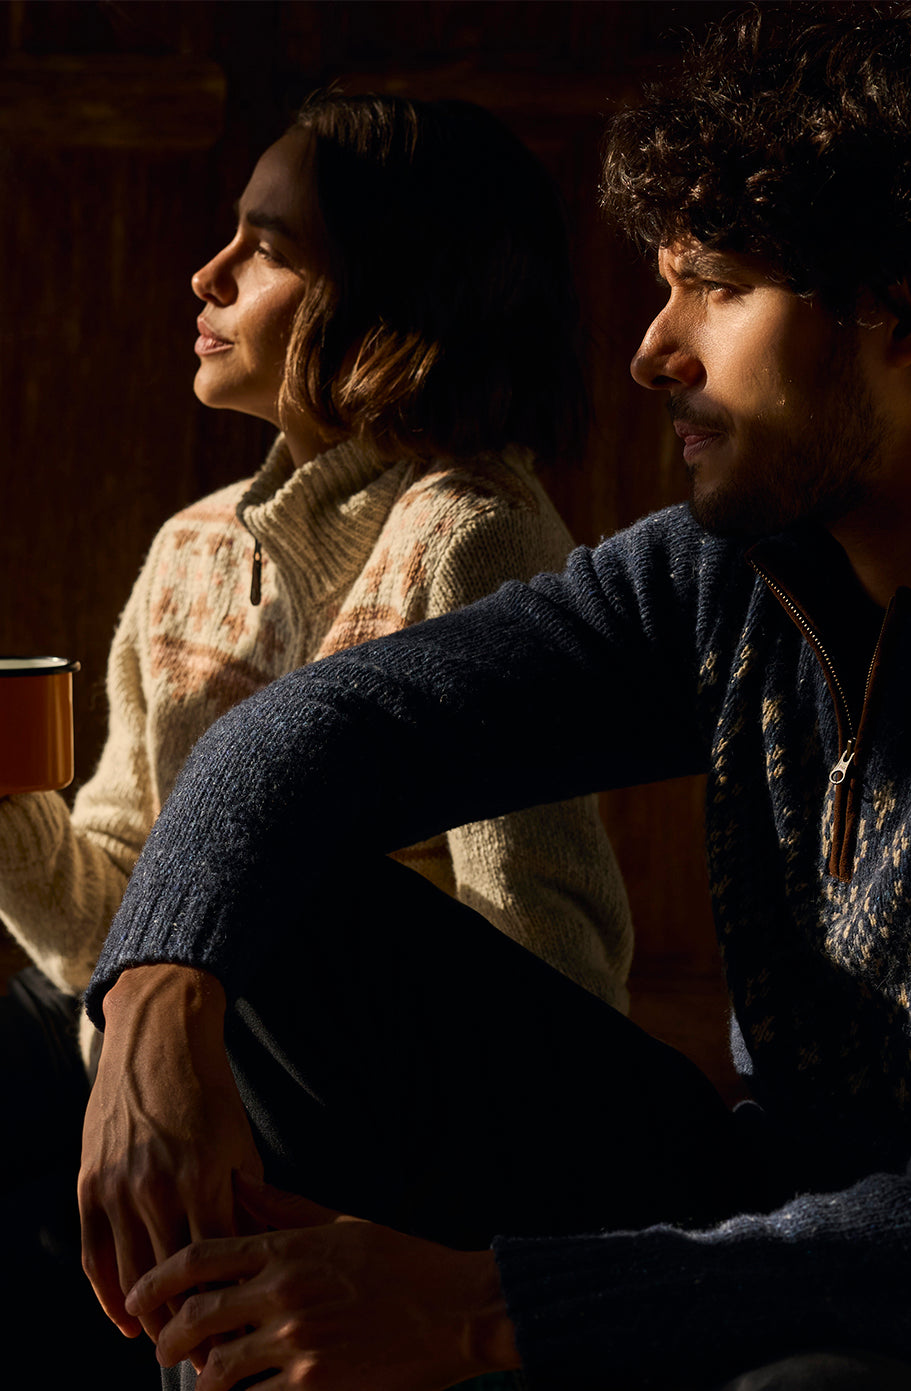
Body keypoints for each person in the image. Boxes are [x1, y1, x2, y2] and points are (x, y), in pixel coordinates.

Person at [78, 4, 911, 1389]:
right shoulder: (726, 575)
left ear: (910, 308)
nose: (652, 351)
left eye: (718, 287)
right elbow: (316, 726)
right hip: (745, 1202)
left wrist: (490, 1308)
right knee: (276, 909)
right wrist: (155, 1003)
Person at [0, 92, 633, 1384]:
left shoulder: (475, 535)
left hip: (382, 1122)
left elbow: (552, 959)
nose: (206, 271)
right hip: (154, 1062)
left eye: (267, 247)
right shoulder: (193, 547)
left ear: (395, 294)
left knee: (272, 930)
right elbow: (102, 923)